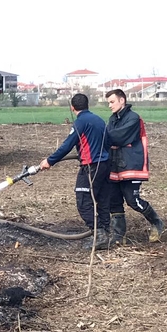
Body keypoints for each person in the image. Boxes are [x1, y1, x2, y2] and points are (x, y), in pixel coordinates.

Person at [39, 94, 111, 245]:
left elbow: (67, 145)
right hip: (105, 164)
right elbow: (106, 142)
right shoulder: (99, 120)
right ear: (87, 105)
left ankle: (100, 235)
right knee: (102, 199)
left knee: (83, 201)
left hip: (91, 166)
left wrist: (49, 161)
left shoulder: (80, 122)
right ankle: (106, 232)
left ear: (72, 107)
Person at [104, 89, 163, 246]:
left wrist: (100, 137)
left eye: (112, 102)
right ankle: (118, 236)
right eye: (108, 103)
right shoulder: (112, 119)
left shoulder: (134, 118)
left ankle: (157, 223)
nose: (109, 105)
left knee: (132, 200)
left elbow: (118, 137)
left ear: (122, 100)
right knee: (114, 201)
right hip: (115, 166)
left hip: (131, 165)